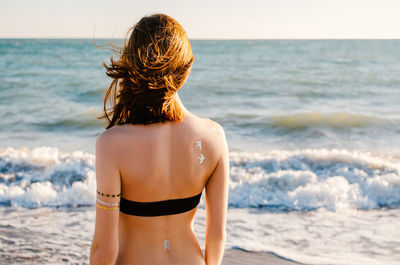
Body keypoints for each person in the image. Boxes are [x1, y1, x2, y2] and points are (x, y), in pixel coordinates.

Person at [90, 14, 229, 265]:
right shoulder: (214, 137)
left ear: (132, 66)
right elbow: (217, 236)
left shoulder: (112, 144)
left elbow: (104, 250)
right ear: (185, 68)